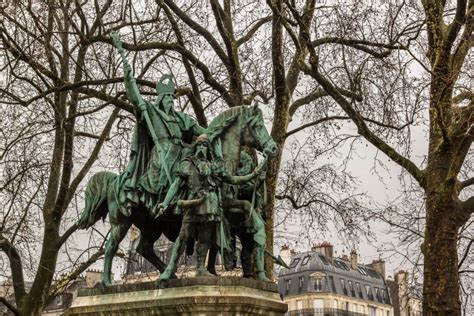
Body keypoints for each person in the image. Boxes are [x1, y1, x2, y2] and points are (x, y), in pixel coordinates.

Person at [110, 32, 206, 215]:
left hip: (182, 150)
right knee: (175, 163)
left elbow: (201, 130)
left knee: (196, 164)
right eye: (167, 97)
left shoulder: (182, 118)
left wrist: (211, 134)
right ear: (161, 98)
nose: (171, 100)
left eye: (172, 97)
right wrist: (127, 71)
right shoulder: (152, 112)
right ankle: (168, 198)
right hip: (163, 153)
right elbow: (134, 96)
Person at [157, 135, 264, 280]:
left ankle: (201, 267)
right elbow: (176, 184)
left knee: (205, 239)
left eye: (205, 146)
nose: (202, 148)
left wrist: (254, 175)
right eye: (199, 145)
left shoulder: (214, 166)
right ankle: (170, 268)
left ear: (209, 149)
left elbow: (234, 180)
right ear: (195, 148)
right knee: (183, 237)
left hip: (211, 207)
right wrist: (165, 202)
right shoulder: (187, 164)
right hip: (193, 205)